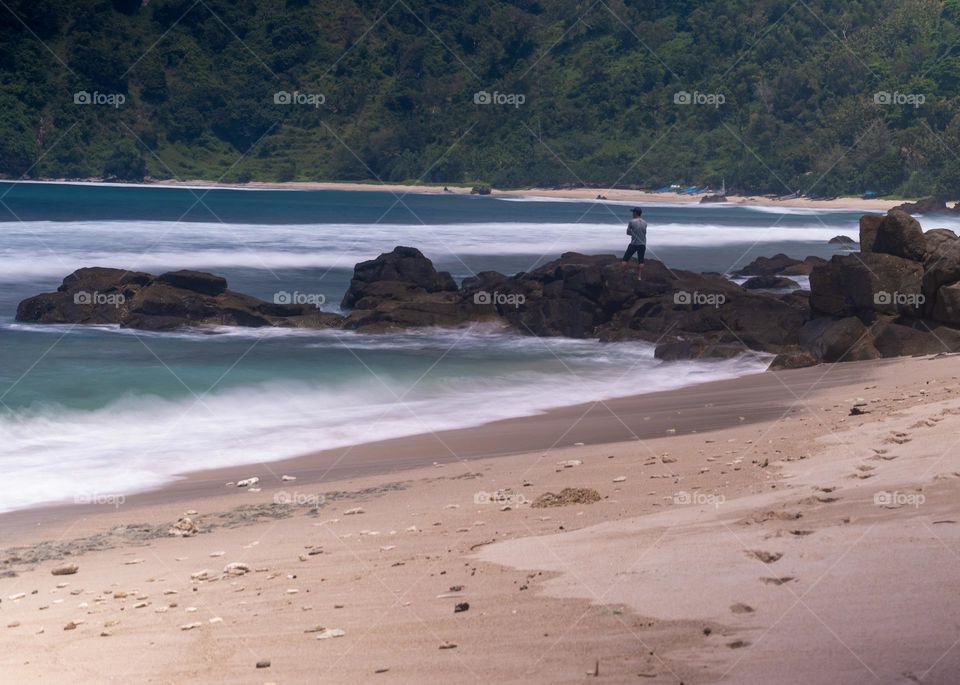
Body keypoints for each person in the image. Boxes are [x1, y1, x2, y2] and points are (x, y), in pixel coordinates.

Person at [622, 207, 647, 279]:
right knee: (641, 261)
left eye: (633, 212)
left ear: (635, 213)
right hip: (643, 244)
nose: (632, 213)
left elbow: (628, 232)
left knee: (625, 260)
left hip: (634, 243)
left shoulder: (631, 221)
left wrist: (633, 234)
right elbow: (644, 233)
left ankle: (624, 274)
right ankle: (639, 276)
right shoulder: (645, 222)